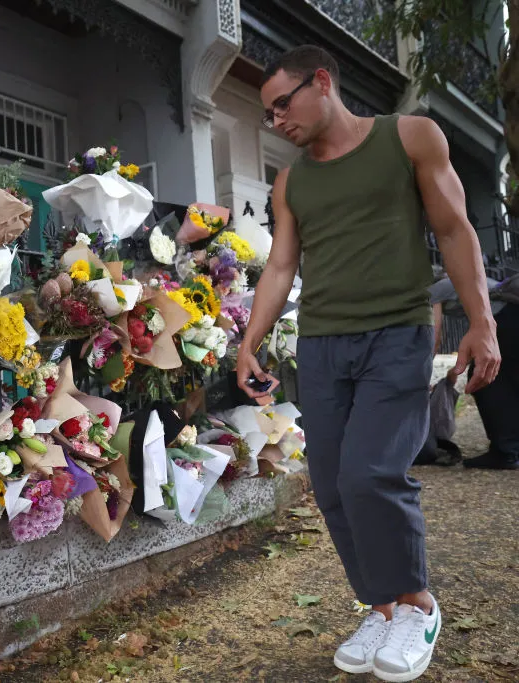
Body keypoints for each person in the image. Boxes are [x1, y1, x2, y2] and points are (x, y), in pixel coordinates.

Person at [236, 46, 501, 682]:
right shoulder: (291, 180)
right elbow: (280, 266)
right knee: (330, 485)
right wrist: (251, 339)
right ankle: (381, 609)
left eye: (283, 103)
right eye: (268, 112)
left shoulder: (410, 138)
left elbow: (457, 229)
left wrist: (482, 323)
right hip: (324, 345)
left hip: (397, 334)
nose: (277, 120)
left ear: (321, 82)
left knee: (372, 473)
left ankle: (418, 606)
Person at [428, 269, 518, 469]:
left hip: (505, 319)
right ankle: (510, 447)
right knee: (508, 379)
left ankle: (505, 452)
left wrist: (424, 373)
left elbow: (434, 337)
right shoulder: (463, 279)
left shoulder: (435, 289)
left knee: (484, 379)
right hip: (511, 316)